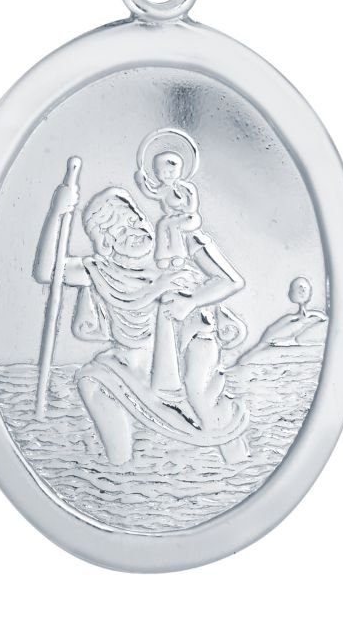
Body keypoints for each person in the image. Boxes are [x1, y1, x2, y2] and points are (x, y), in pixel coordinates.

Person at [33, 180, 248, 465]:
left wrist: (192, 301)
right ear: (106, 243)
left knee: (201, 397)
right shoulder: (102, 272)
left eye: (135, 221)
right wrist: (57, 212)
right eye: (122, 231)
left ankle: (238, 462)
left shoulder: (175, 251)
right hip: (132, 361)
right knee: (91, 382)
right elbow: (47, 272)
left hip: (185, 350)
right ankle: (119, 467)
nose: (135, 231)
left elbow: (230, 281)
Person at [133, 151, 202, 268]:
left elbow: (192, 209)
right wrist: (141, 182)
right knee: (162, 224)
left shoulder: (187, 188)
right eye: (163, 172)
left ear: (179, 171)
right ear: (157, 173)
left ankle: (179, 255)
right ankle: (163, 256)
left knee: (173, 225)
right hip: (172, 218)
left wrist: (188, 196)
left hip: (190, 218)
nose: (168, 175)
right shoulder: (164, 189)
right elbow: (151, 193)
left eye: (172, 171)